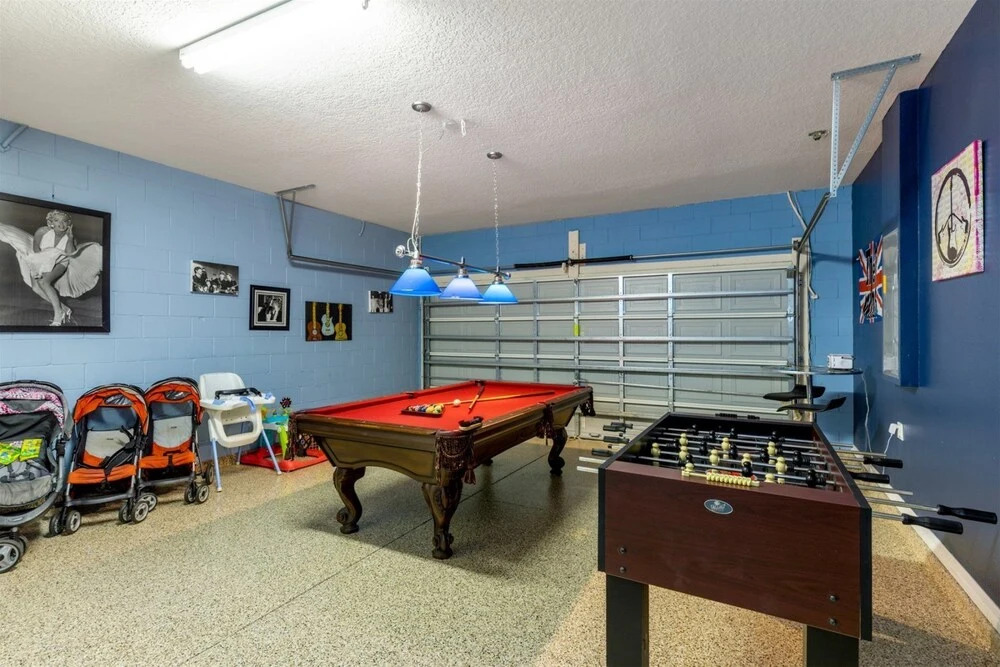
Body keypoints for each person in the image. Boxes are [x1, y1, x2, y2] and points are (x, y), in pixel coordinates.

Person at [0, 209, 103, 326]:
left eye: (64, 221)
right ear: (51, 222)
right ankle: (64, 308)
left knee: (44, 282)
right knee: (36, 288)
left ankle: (58, 314)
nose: (61, 224)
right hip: (39, 260)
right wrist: (39, 268)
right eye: (57, 220)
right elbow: (36, 250)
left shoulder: (71, 237)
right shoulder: (42, 231)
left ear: (69, 223)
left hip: (61, 262)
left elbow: (70, 253)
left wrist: (70, 238)